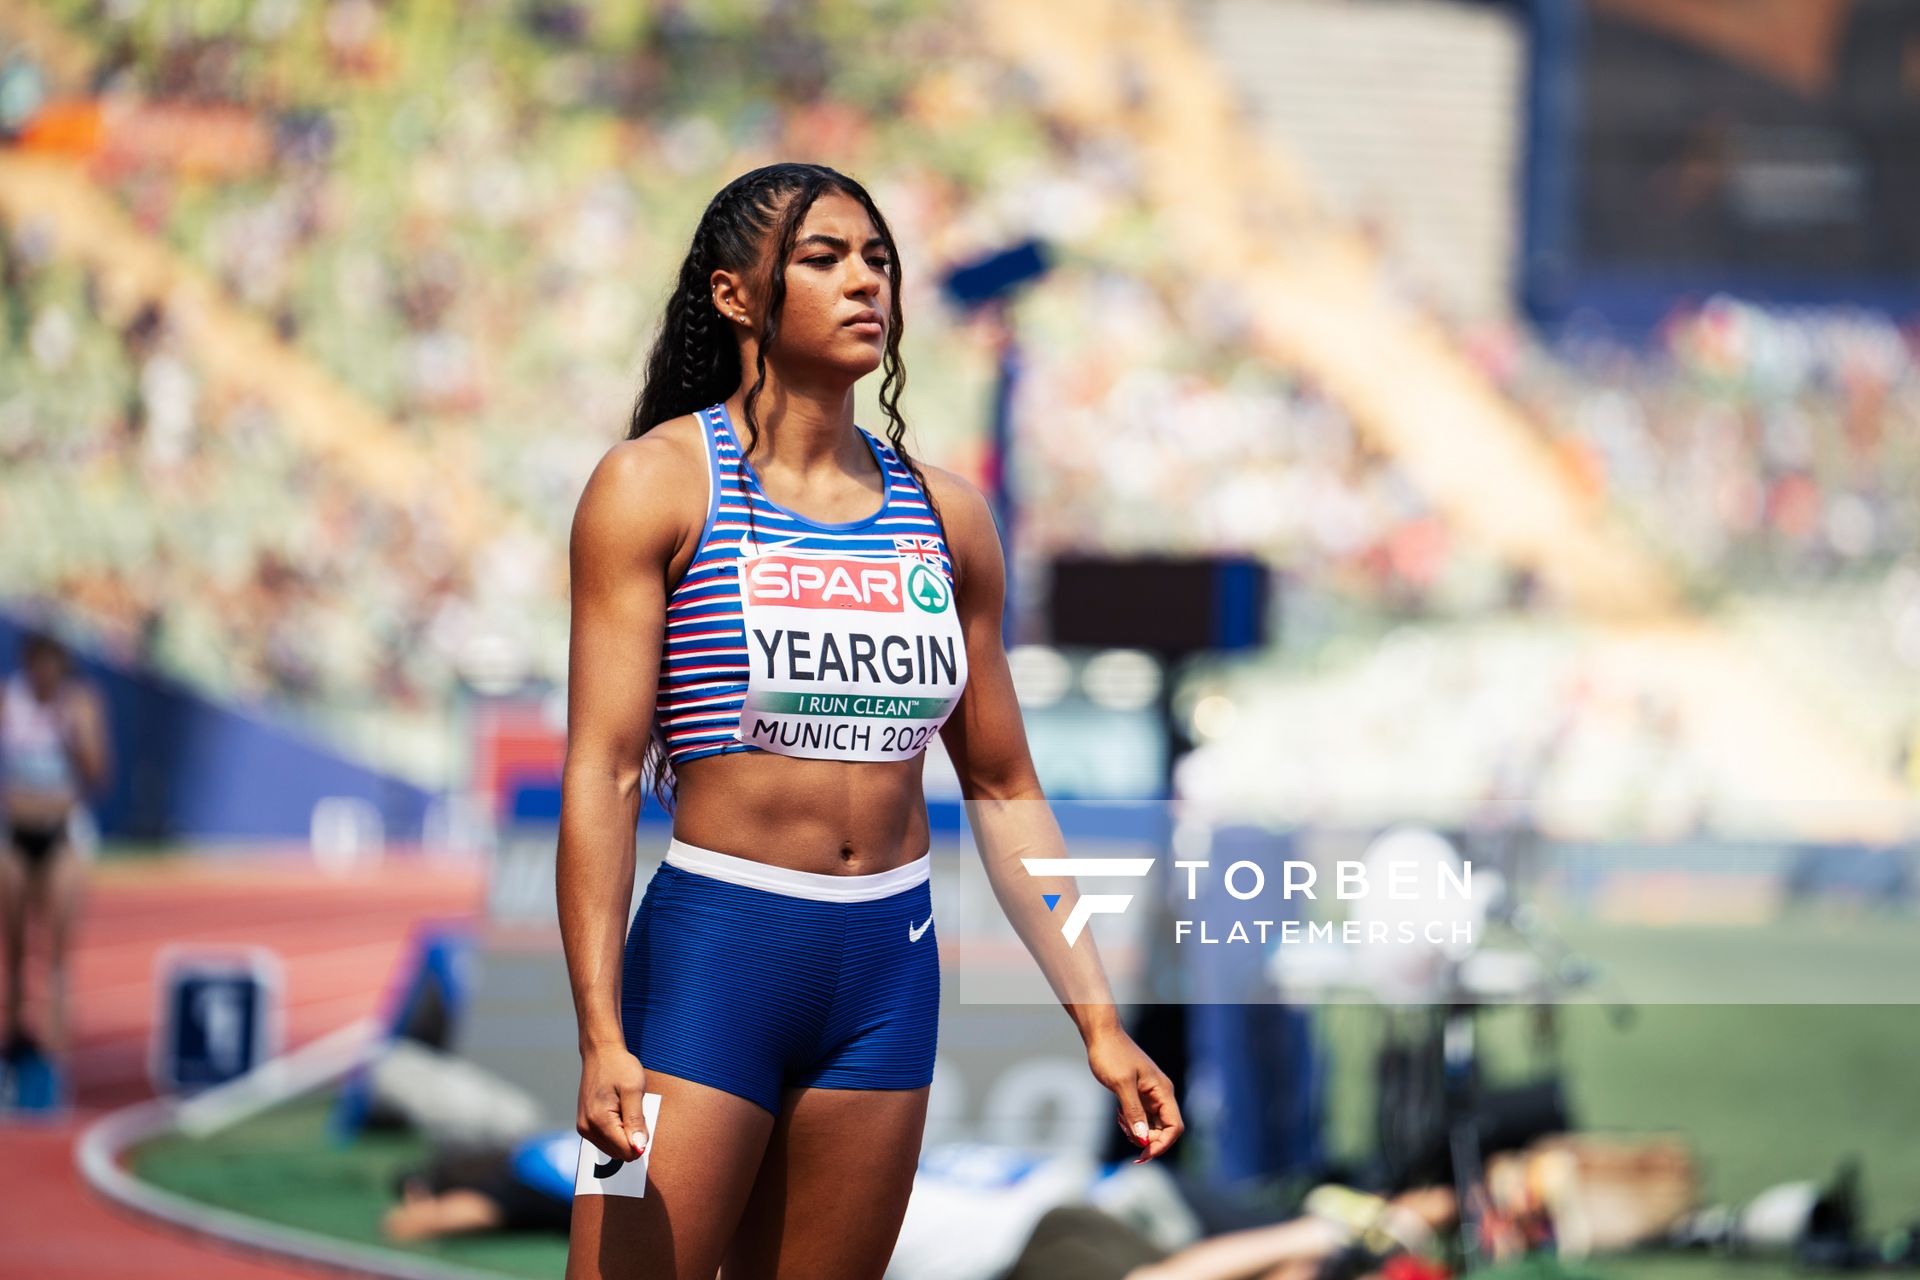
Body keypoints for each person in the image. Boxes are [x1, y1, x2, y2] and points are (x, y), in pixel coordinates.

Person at [558, 161, 1184, 1279]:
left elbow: (1003, 787)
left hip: (885, 975)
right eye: (824, 257)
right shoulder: (655, 485)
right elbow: (603, 776)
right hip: (710, 960)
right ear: (734, 295)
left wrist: (1098, 1017)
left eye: (879, 260)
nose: (865, 283)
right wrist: (602, 1029)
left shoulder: (948, 516)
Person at [1, 627, 110, 1105]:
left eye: (52, 665)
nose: (43, 673)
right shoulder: (10, 701)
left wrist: (71, 736)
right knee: (15, 953)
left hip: (63, 835)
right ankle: (14, 1052)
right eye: (36, 664)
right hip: (15, 835)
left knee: (59, 958)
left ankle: (57, 1064)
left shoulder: (80, 704)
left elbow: (97, 773)